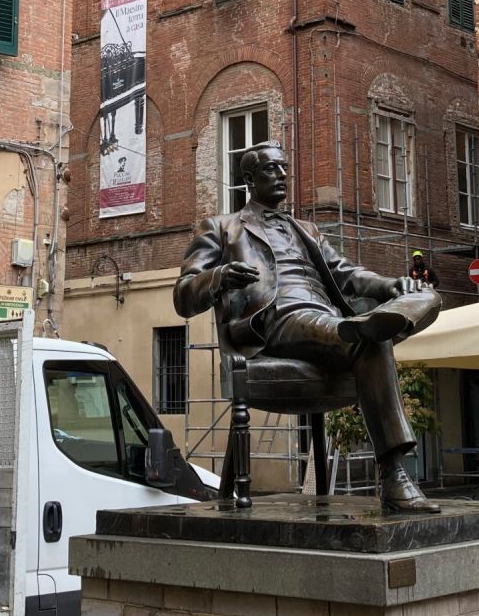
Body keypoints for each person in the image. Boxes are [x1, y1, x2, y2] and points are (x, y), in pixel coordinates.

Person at [174, 143, 443, 512]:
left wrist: (390, 285)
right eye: (271, 170)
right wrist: (220, 275)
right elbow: (183, 296)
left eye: (284, 168)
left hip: (325, 317)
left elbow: (346, 273)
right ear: (249, 179)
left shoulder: (307, 229)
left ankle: (385, 319)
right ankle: (394, 475)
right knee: (367, 335)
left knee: (412, 303)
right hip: (274, 321)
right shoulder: (222, 228)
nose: (283, 176)